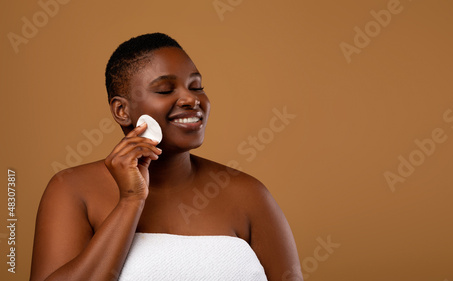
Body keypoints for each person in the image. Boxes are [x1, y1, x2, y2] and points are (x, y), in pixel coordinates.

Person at [29, 33, 303, 281]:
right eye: (164, 90)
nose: (190, 99)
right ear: (122, 110)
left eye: (196, 87)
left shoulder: (249, 195)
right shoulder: (72, 189)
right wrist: (130, 201)